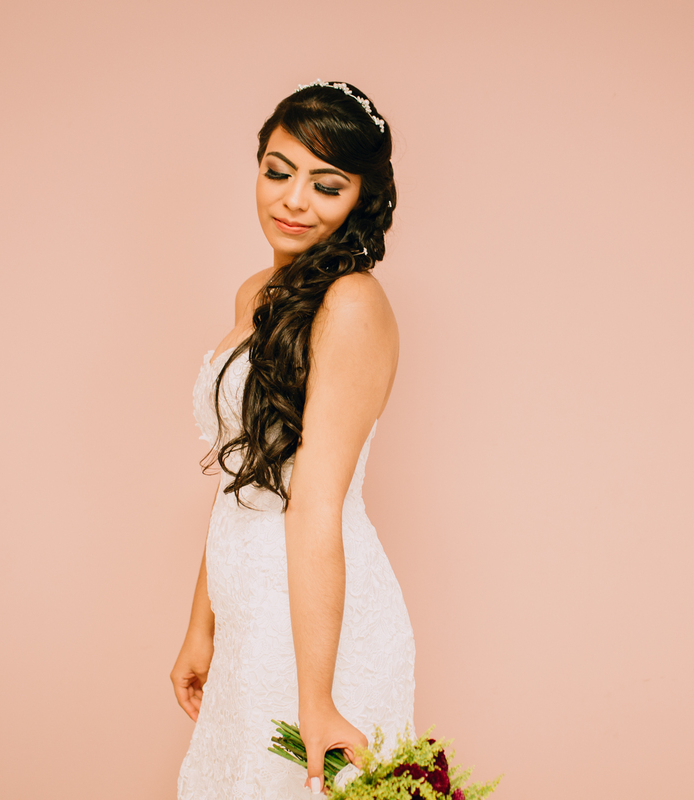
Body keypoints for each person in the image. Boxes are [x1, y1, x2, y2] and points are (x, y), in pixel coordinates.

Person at [171, 81, 416, 800]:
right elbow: (241, 481)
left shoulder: (353, 303)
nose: (293, 201)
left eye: (326, 185)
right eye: (278, 171)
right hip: (248, 614)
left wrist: (318, 696)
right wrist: (202, 627)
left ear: (362, 199)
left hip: (317, 629)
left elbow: (311, 507)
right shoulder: (257, 294)